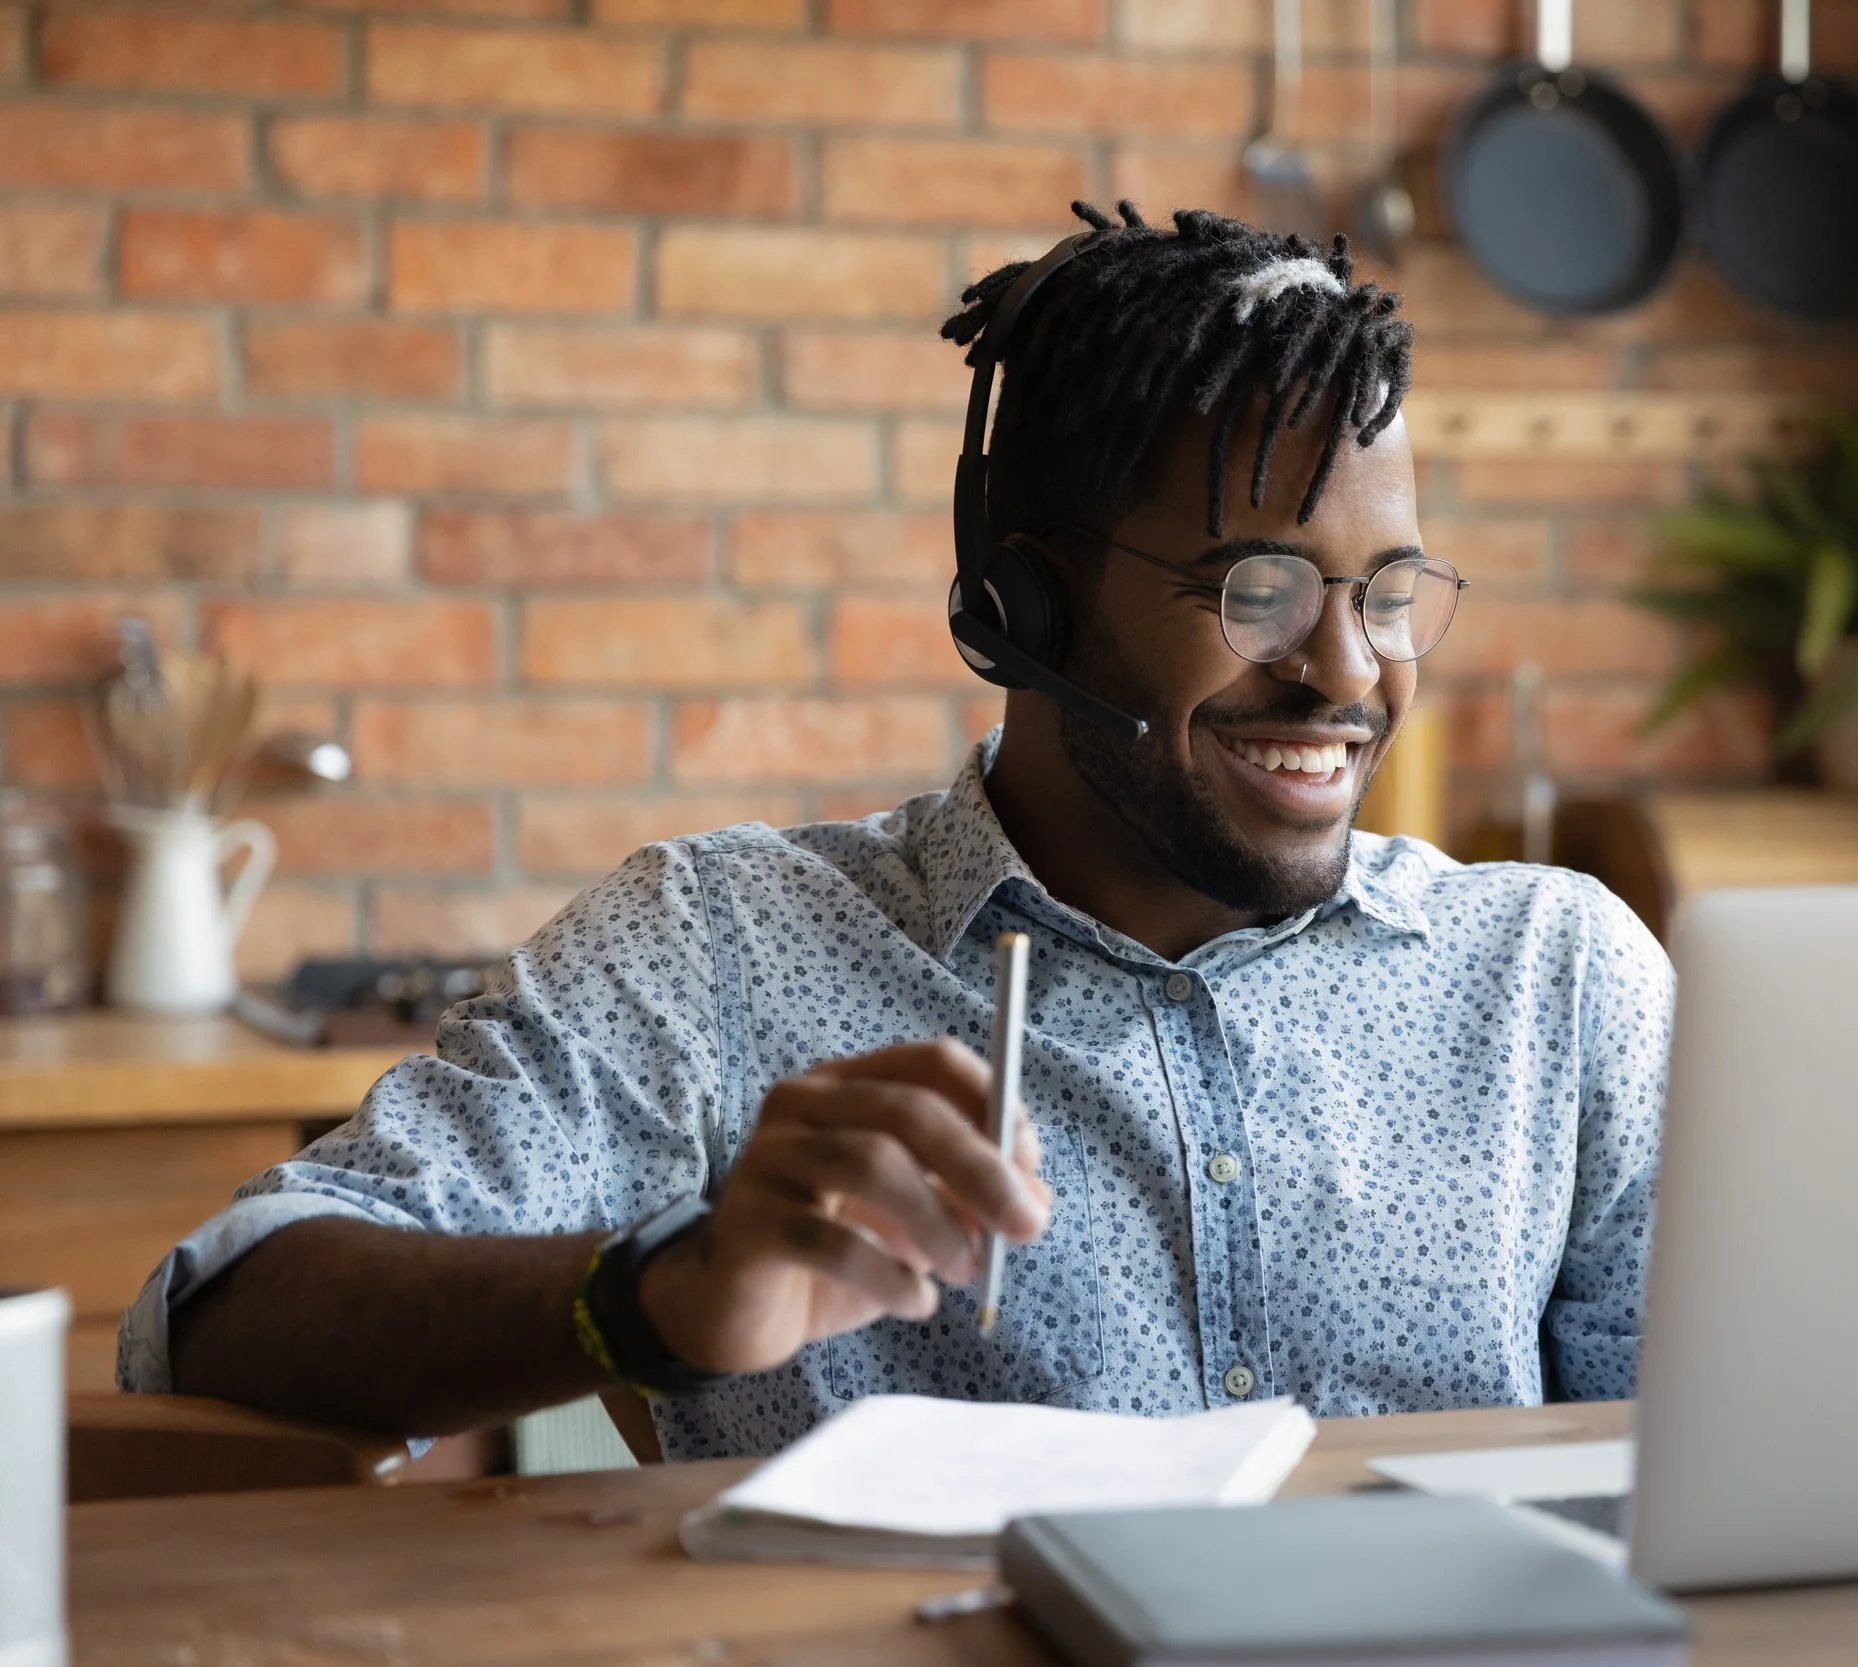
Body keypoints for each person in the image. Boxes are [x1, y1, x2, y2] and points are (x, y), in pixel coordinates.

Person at [123, 203, 1673, 1459]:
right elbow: (216, 1309)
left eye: (1389, 593)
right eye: (1256, 588)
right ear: (1025, 604)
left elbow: (1690, 1468)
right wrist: (656, 1288)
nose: (1348, 673)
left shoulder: (1559, 978)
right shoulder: (717, 951)